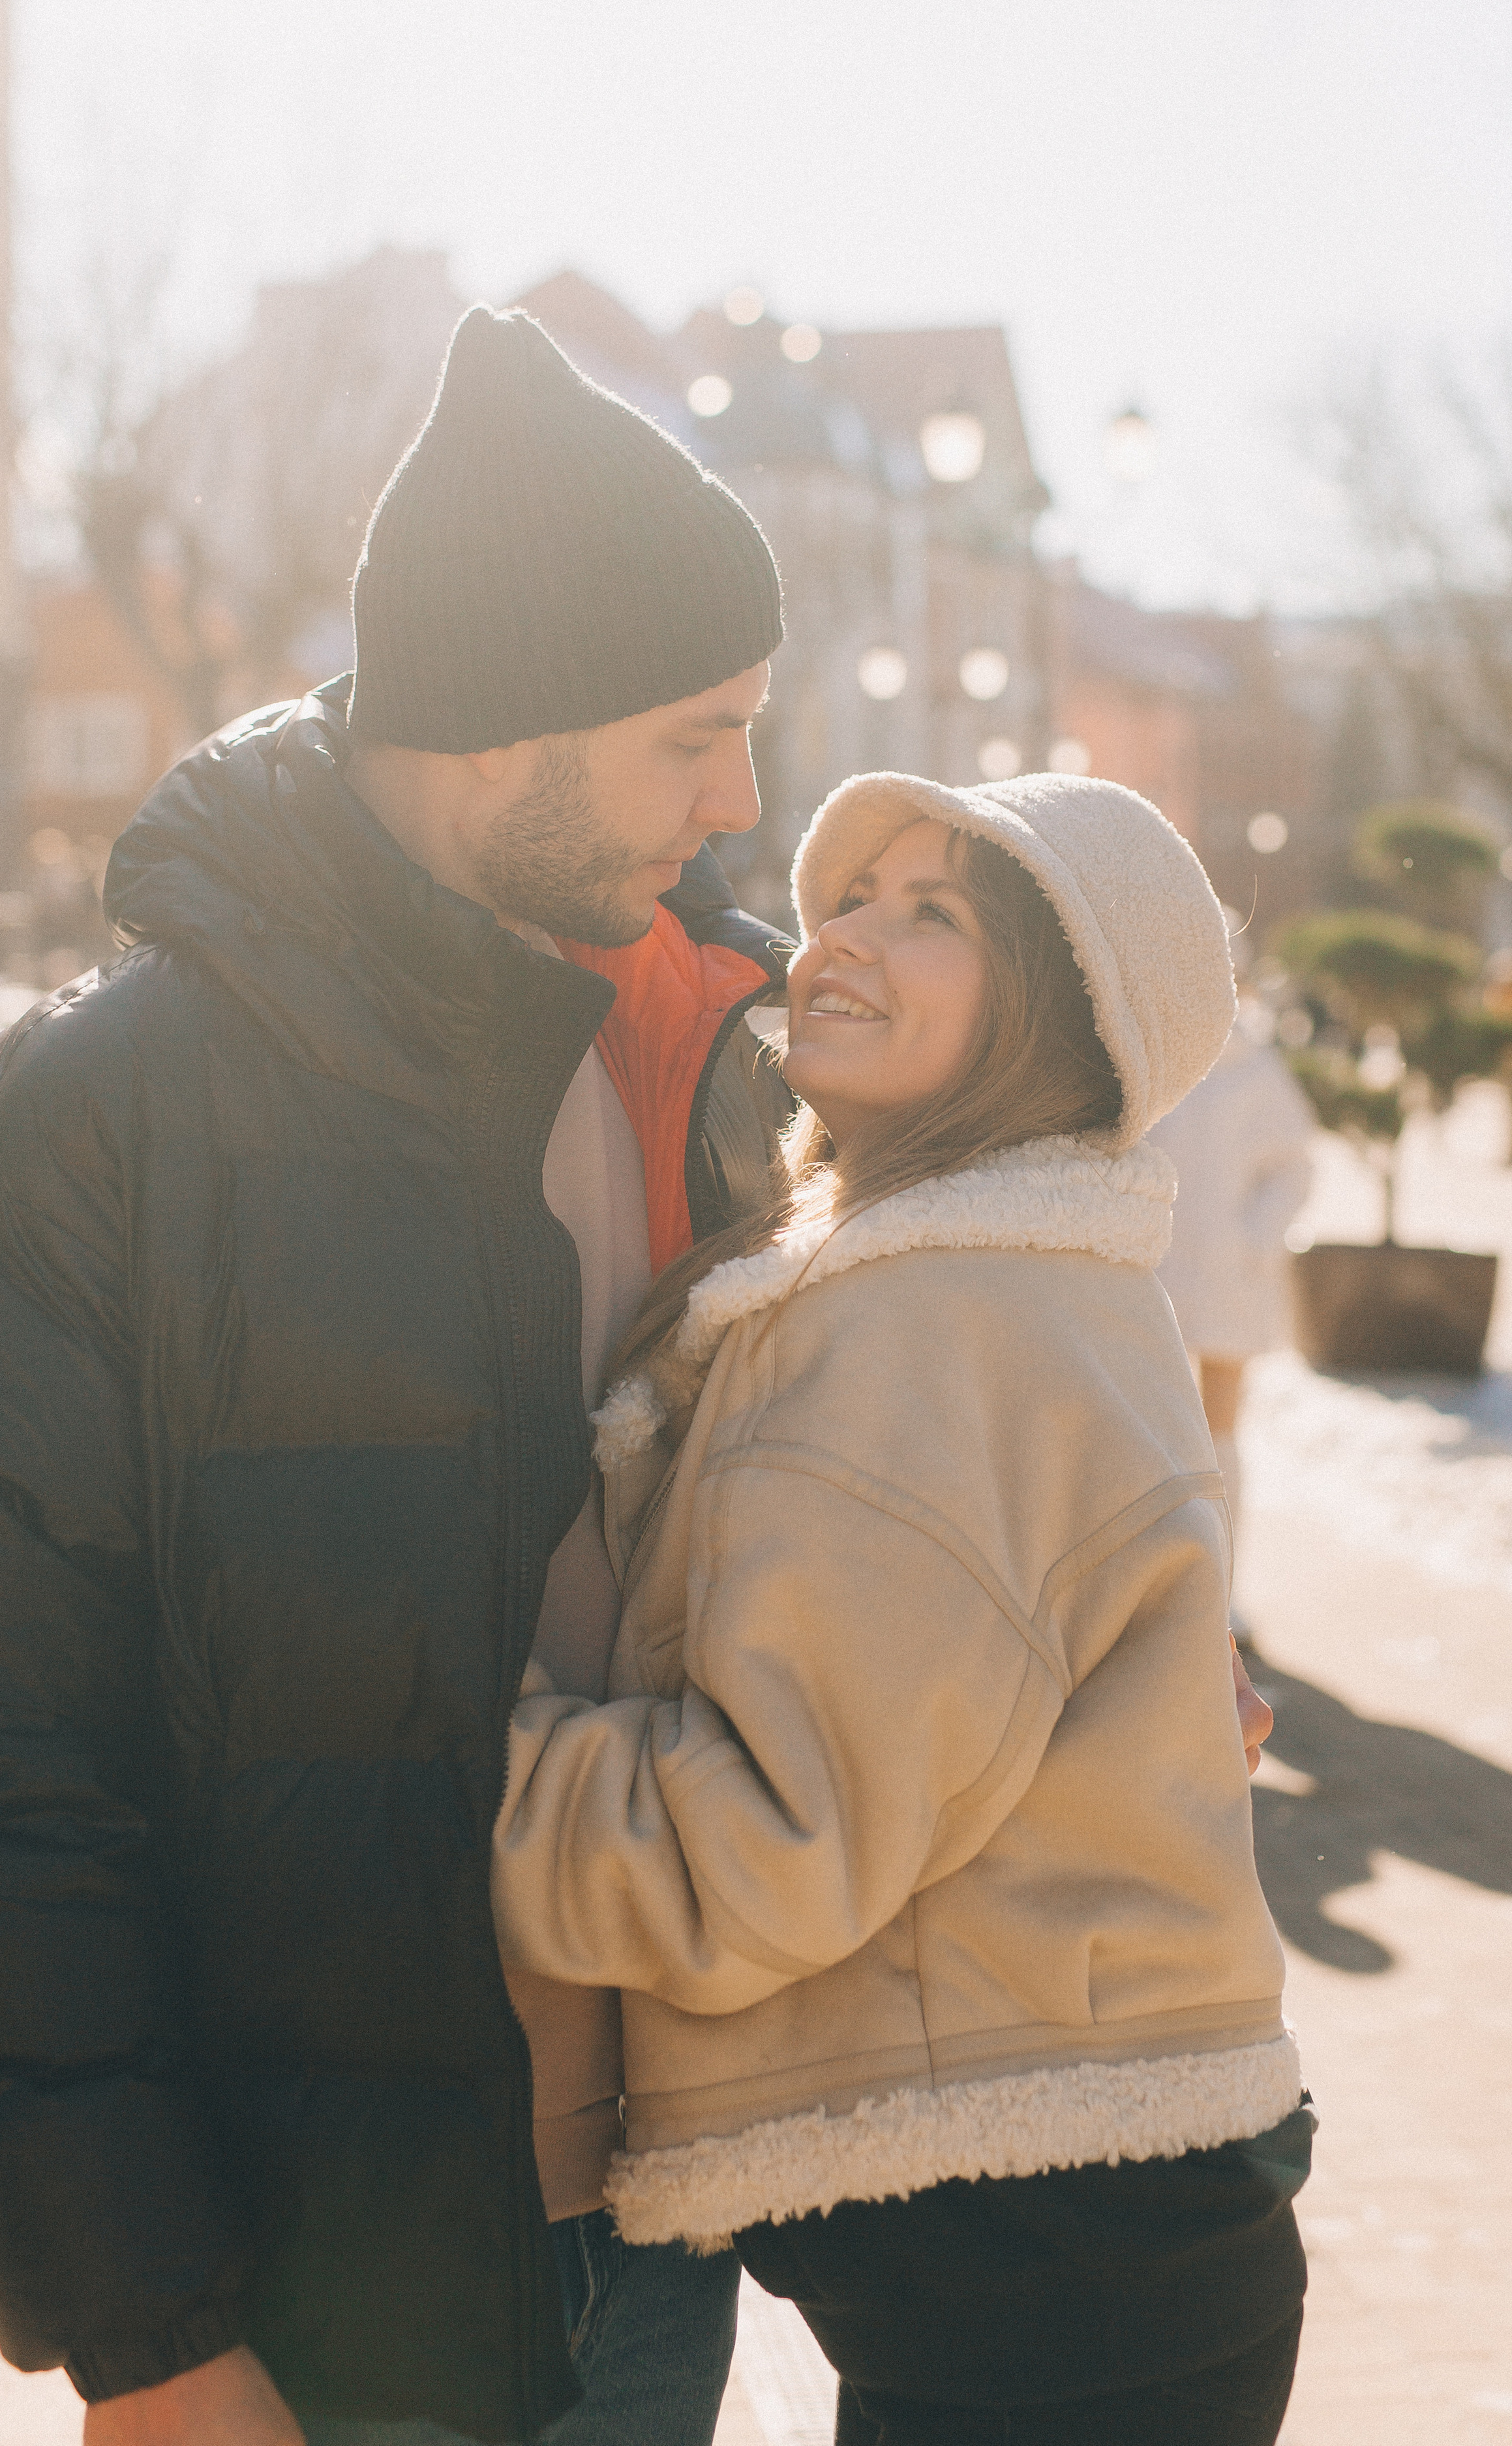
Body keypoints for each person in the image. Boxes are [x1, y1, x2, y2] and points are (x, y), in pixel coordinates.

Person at [0, 309, 790, 2445]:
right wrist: (145, 2339)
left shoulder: (729, 1051)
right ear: (491, 729)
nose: (743, 801)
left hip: (674, 2226)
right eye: (688, 736)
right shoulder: (72, 1138)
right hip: (306, 2304)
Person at [494, 771, 1311, 2445]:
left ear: (1062, 1019)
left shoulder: (930, 1316)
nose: (847, 934)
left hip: (1051, 2288)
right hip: (1081, 2254)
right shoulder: (1007, 1272)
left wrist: (439, 1757)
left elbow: (763, 1842)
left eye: (935, 912)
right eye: (853, 893)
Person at [1151, 917, 1316, 1650]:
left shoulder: (1255, 1068)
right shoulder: (1154, 1062)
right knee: (1147, 1432)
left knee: (1221, 1435)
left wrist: (1254, 1238)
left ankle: (1222, 1589)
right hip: (1149, 1275)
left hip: (1227, 1282)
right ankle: (1159, 1586)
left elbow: (1294, 1165)